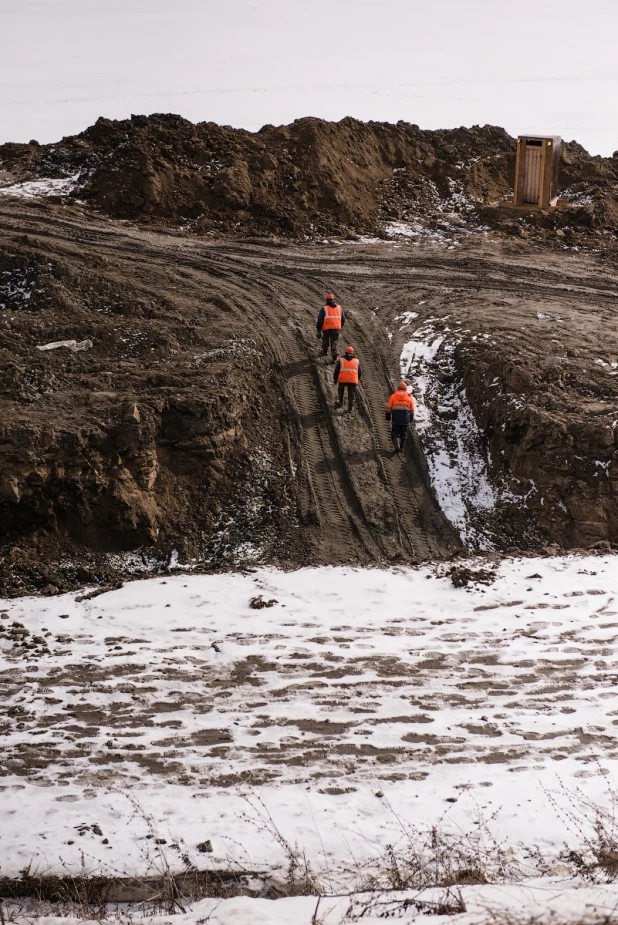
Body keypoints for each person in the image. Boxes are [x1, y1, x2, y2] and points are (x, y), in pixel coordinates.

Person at [385, 382, 415, 454]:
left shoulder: (393, 396)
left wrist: (388, 416)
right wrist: (411, 418)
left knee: (394, 432)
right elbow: (412, 410)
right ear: (405, 389)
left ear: (398, 388)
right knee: (403, 433)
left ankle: (396, 447)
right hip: (405, 419)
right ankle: (401, 447)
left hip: (396, 419)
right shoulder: (409, 397)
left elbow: (388, 408)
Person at [316, 293, 345, 361]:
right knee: (334, 342)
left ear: (327, 300)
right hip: (336, 328)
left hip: (326, 328)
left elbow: (320, 320)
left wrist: (318, 329)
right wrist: (341, 325)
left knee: (325, 340)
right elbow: (343, 319)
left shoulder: (324, 308)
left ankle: (324, 351)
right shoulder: (339, 308)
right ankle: (334, 355)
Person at [334, 346, 362, 412]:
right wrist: (358, 378)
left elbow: (336, 370)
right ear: (352, 353)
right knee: (351, 394)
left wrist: (335, 379)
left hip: (342, 379)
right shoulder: (356, 361)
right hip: (352, 380)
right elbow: (360, 371)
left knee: (341, 391)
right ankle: (350, 408)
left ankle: (340, 402)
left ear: (345, 352)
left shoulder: (341, 360)